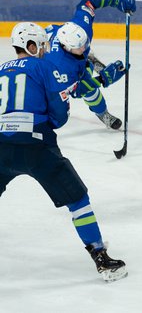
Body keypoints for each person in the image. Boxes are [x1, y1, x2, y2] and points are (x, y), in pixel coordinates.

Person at [0, 22, 127, 282]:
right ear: (31, 46)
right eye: (42, 45)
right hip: (37, 145)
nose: (46, 50)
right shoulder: (44, 66)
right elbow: (58, 115)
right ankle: (100, 257)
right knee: (77, 199)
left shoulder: (0, 69)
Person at [44, 0, 136, 130]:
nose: (84, 48)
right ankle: (102, 113)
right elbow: (76, 91)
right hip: (50, 75)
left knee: (83, 58)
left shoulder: (82, 26)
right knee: (89, 90)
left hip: (62, 50)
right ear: (66, 47)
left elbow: (88, 1)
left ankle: (90, 61)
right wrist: (103, 79)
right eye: (79, 47)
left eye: (84, 44)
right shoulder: (60, 67)